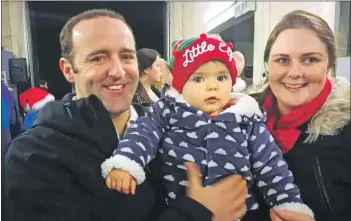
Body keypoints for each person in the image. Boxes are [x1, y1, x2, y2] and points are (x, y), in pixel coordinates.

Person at [4, 9, 249, 221]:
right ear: (68, 70)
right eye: (98, 58)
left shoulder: (170, 125)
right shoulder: (34, 155)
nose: (118, 71)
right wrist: (195, 213)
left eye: (126, 56)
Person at [101, 33, 314, 218]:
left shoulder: (247, 118)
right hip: (185, 212)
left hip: (243, 213)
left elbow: (271, 164)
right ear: (181, 85)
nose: (212, 86)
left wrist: (288, 204)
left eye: (221, 77)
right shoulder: (169, 110)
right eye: (199, 79)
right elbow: (143, 133)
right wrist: (127, 162)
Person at [247, 10, 351, 221]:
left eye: (310, 59)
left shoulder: (346, 131)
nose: (295, 72)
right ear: (268, 64)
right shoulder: (240, 122)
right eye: (282, 60)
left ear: (329, 65)